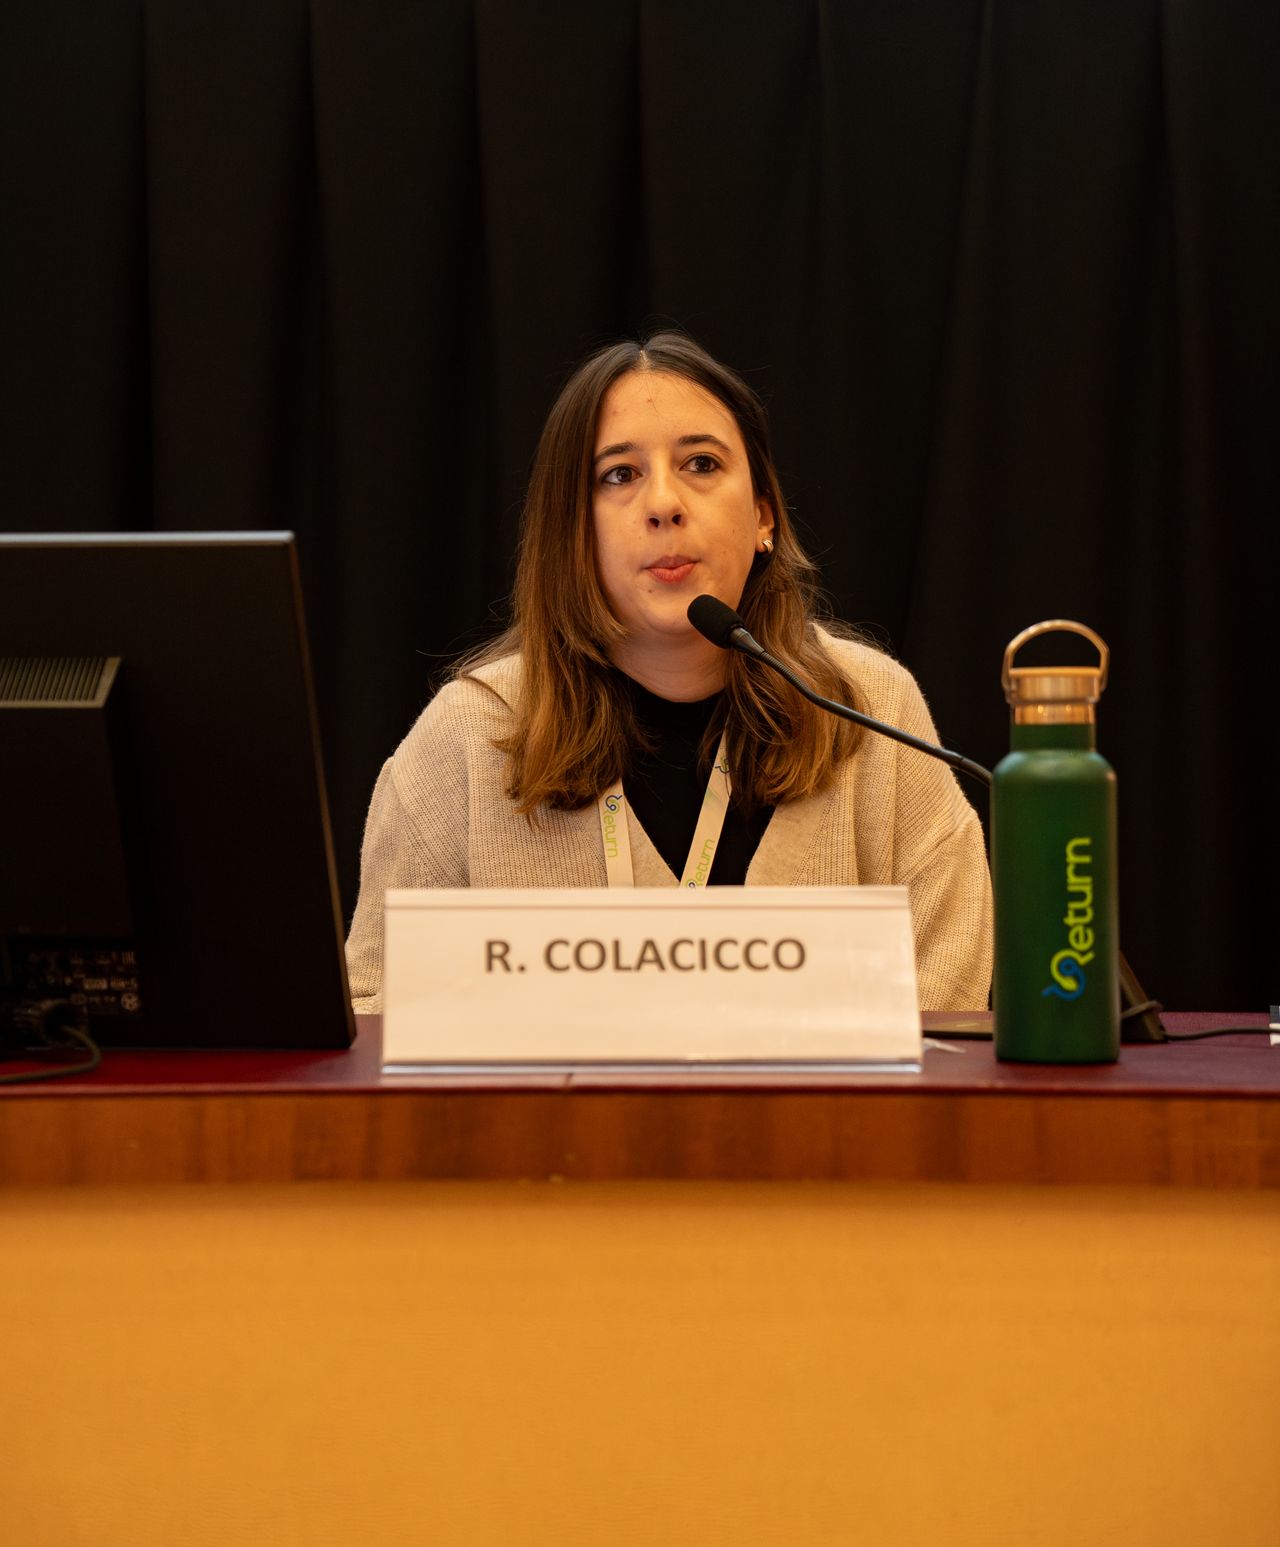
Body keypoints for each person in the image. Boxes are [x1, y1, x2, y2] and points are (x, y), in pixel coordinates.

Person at [345, 332, 991, 1011]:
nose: (664, 503)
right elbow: (374, 1013)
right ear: (573, 530)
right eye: (619, 475)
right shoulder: (468, 737)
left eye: (702, 464)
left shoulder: (871, 708)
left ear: (764, 515)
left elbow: (949, 1009)